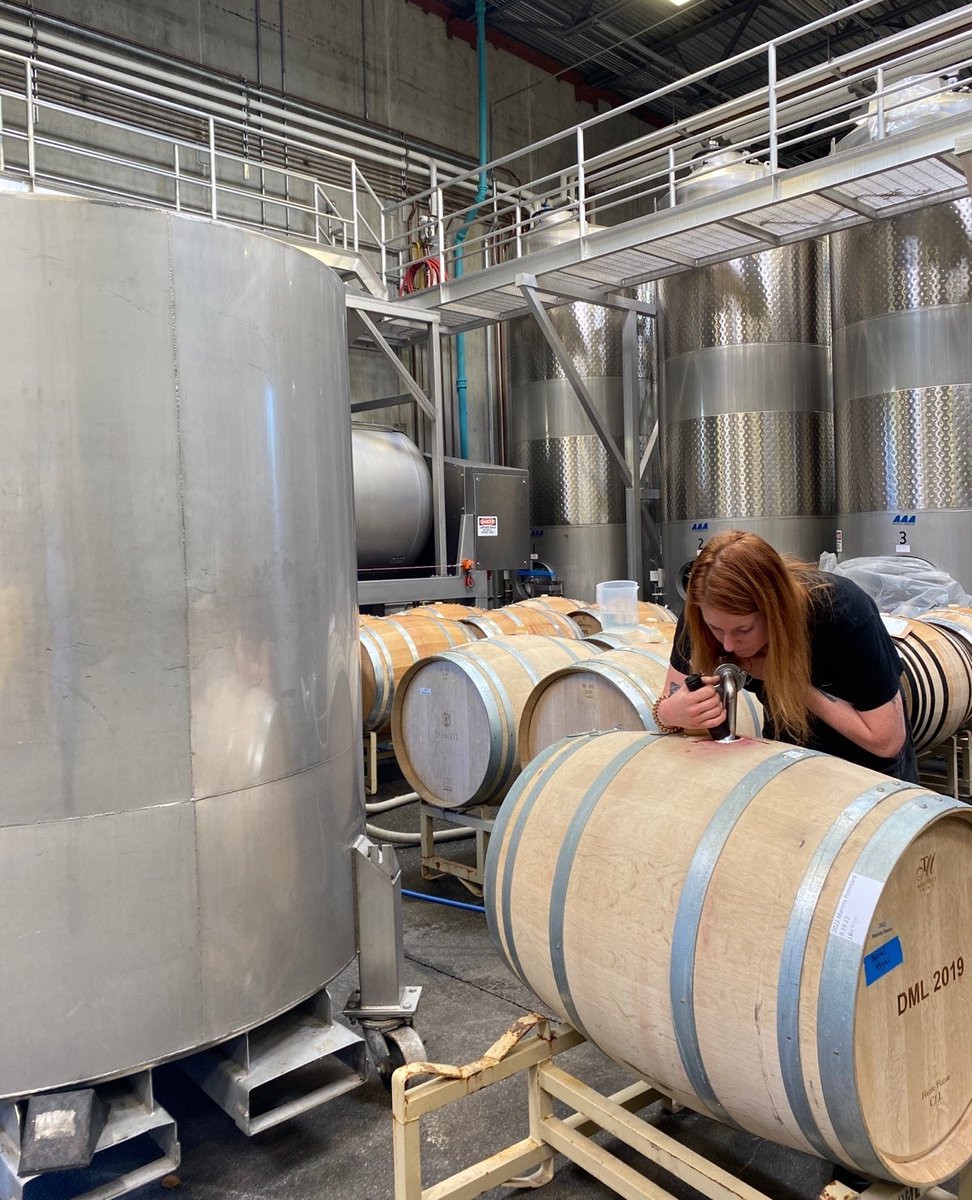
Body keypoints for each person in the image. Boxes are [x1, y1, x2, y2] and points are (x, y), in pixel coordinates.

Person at [655, 530, 919, 782]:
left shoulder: (841, 610)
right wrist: (671, 713)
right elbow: (669, 700)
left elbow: (886, 742)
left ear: (776, 610)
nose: (727, 644)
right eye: (716, 629)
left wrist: (786, 682)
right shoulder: (704, 613)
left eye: (743, 630)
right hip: (789, 758)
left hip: (869, 776)